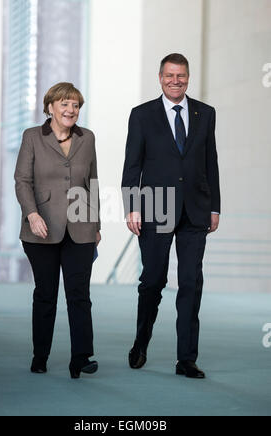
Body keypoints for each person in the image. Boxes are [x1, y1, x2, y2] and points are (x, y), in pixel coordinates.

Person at [121, 54, 220, 379]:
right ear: (160, 77)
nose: (175, 81)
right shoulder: (142, 115)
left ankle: (186, 359)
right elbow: (132, 165)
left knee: (191, 283)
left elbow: (211, 161)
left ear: (188, 78)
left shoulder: (205, 113)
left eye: (181, 76)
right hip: (156, 205)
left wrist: (214, 206)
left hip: (195, 208)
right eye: (169, 75)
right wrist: (131, 205)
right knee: (153, 281)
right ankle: (141, 342)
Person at [14, 82, 101, 379]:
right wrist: (32, 214)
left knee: (79, 293)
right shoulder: (32, 137)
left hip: (81, 229)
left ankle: (81, 356)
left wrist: (96, 225)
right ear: (50, 106)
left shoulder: (87, 138)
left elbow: (92, 182)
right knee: (46, 293)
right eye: (64, 104)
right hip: (42, 229)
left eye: (75, 105)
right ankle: (41, 355)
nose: (71, 110)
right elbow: (22, 180)